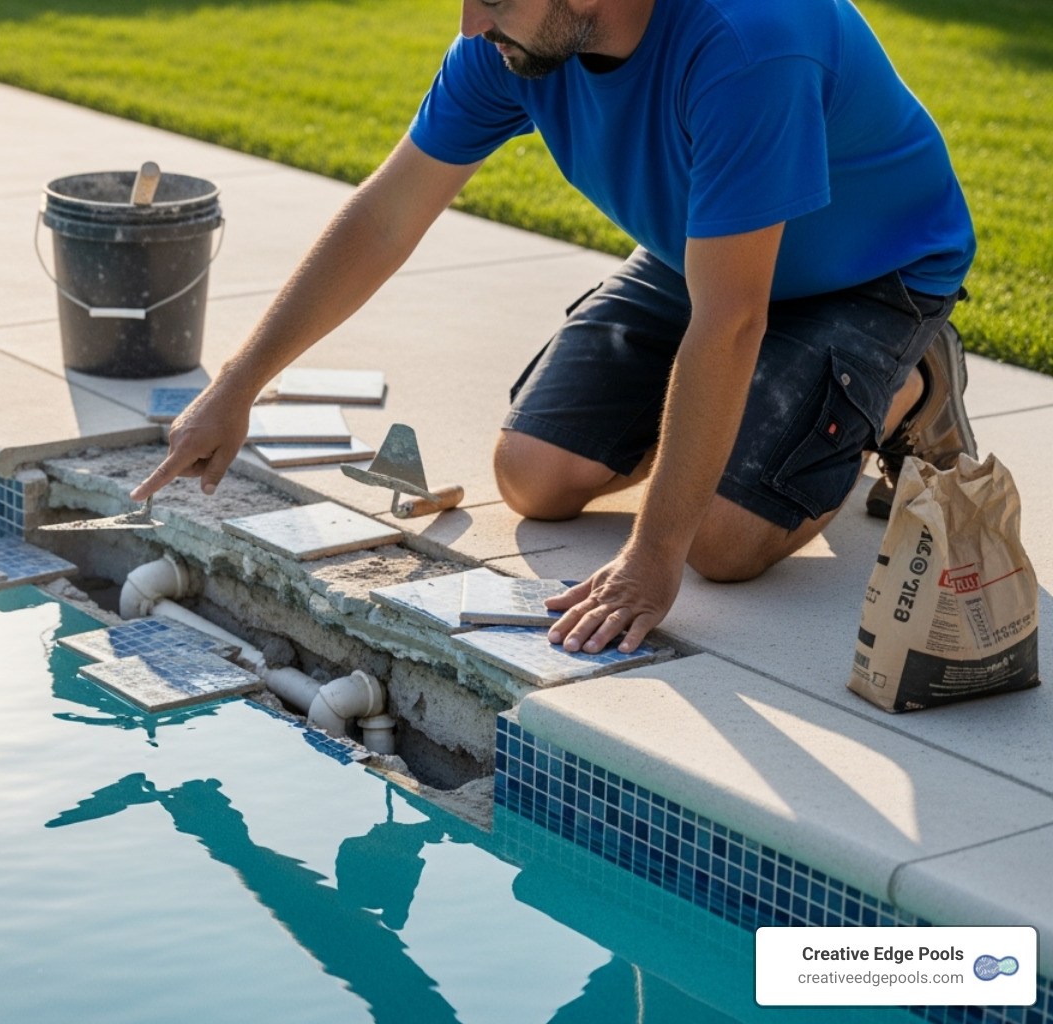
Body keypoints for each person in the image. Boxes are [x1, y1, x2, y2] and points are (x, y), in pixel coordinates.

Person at [131, 0, 977, 656]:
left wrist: (652, 553)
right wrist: (238, 383)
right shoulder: (509, 47)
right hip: (703, 252)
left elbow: (731, 322)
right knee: (532, 478)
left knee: (715, 540)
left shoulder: (747, 42)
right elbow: (386, 218)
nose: (469, 23)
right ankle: (752, 414)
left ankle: (915, 385)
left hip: (867, 275)